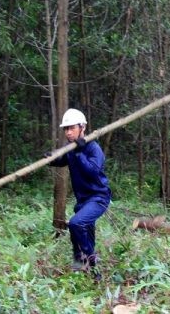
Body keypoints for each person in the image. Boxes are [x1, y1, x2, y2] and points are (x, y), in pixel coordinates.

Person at [48, 108, 111, 274]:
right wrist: (50, 158)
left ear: (82, 127)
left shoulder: (93, 148)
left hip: (98, 198)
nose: (68, 133)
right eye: (66, 129)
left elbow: (92, 171)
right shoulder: (71, 148)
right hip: (82, 201)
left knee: (76, 223)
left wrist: (78, 152)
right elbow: (61, 160)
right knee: (79, 235)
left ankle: (92, 262)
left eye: (72, 128)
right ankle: (82, 269)